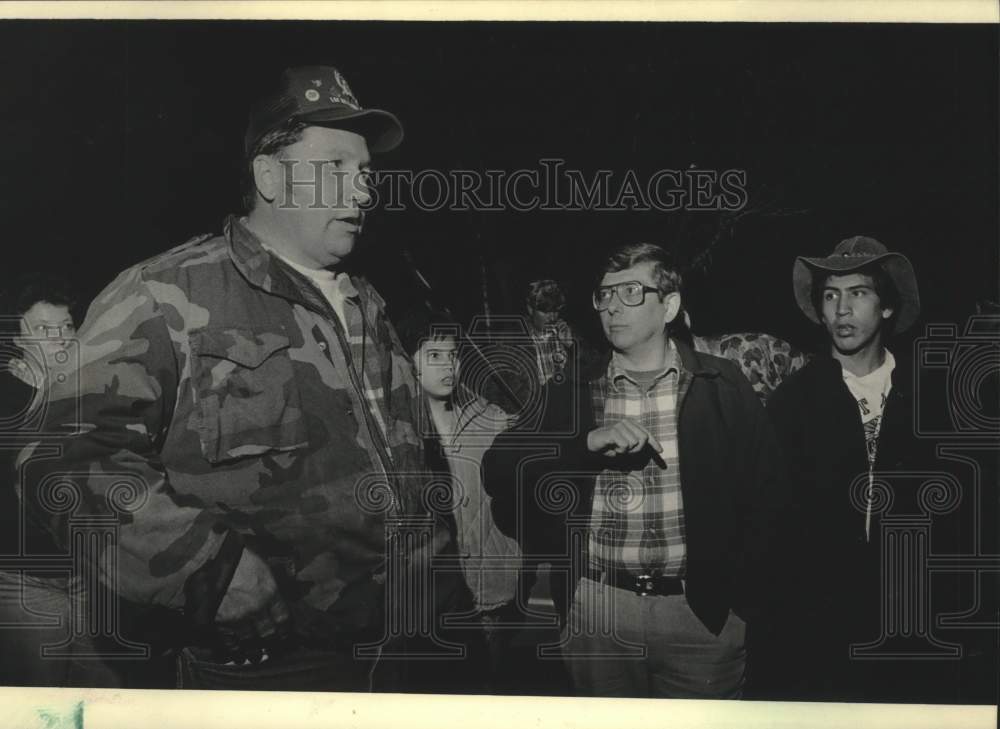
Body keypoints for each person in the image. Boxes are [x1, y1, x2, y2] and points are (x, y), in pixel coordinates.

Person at [19, 65, 450, 691]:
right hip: (271, 670)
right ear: (269, 177)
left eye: (366, 175)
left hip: (412, 654)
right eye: (336, 169)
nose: (362, 193)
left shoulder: (370, 303)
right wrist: (207, 569)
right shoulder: (167, 295)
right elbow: (58, 456)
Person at [483, 242, 784, 699]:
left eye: (630, 292)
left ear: (670, 306)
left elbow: (770, 494)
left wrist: (741, 600)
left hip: (700, 615)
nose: (612, 307)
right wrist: (583, 444)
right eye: (604, 295)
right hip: (597, 611)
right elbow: (498, 468)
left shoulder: (721, 383)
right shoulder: (574, 386)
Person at [764, 235, 981, 702]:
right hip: (818, 627)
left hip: (912, 625)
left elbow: (961, 523)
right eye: (830, 295)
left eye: (858, 293)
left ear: (886, 307)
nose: (841, 309)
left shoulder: (933, 401)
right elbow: (770, 520)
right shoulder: (794, 401)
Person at [396, 309, 525, 692]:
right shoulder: (398, 430)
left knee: (489, 695)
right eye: (434, 355)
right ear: (408, 362)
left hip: (493, 593)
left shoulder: (492, 419)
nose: (448, 364)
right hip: (430, 603)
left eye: (452, 355)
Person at [0, 274, 119, 687]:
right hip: (25, 582)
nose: (62, 340)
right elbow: (21, 471)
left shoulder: (93, 389)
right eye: (45, 331)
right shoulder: (7, 396)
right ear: (18, 340)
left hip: (92, 576)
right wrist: (41, 401)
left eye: (68, 327)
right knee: (41, 702)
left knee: (103, 696)